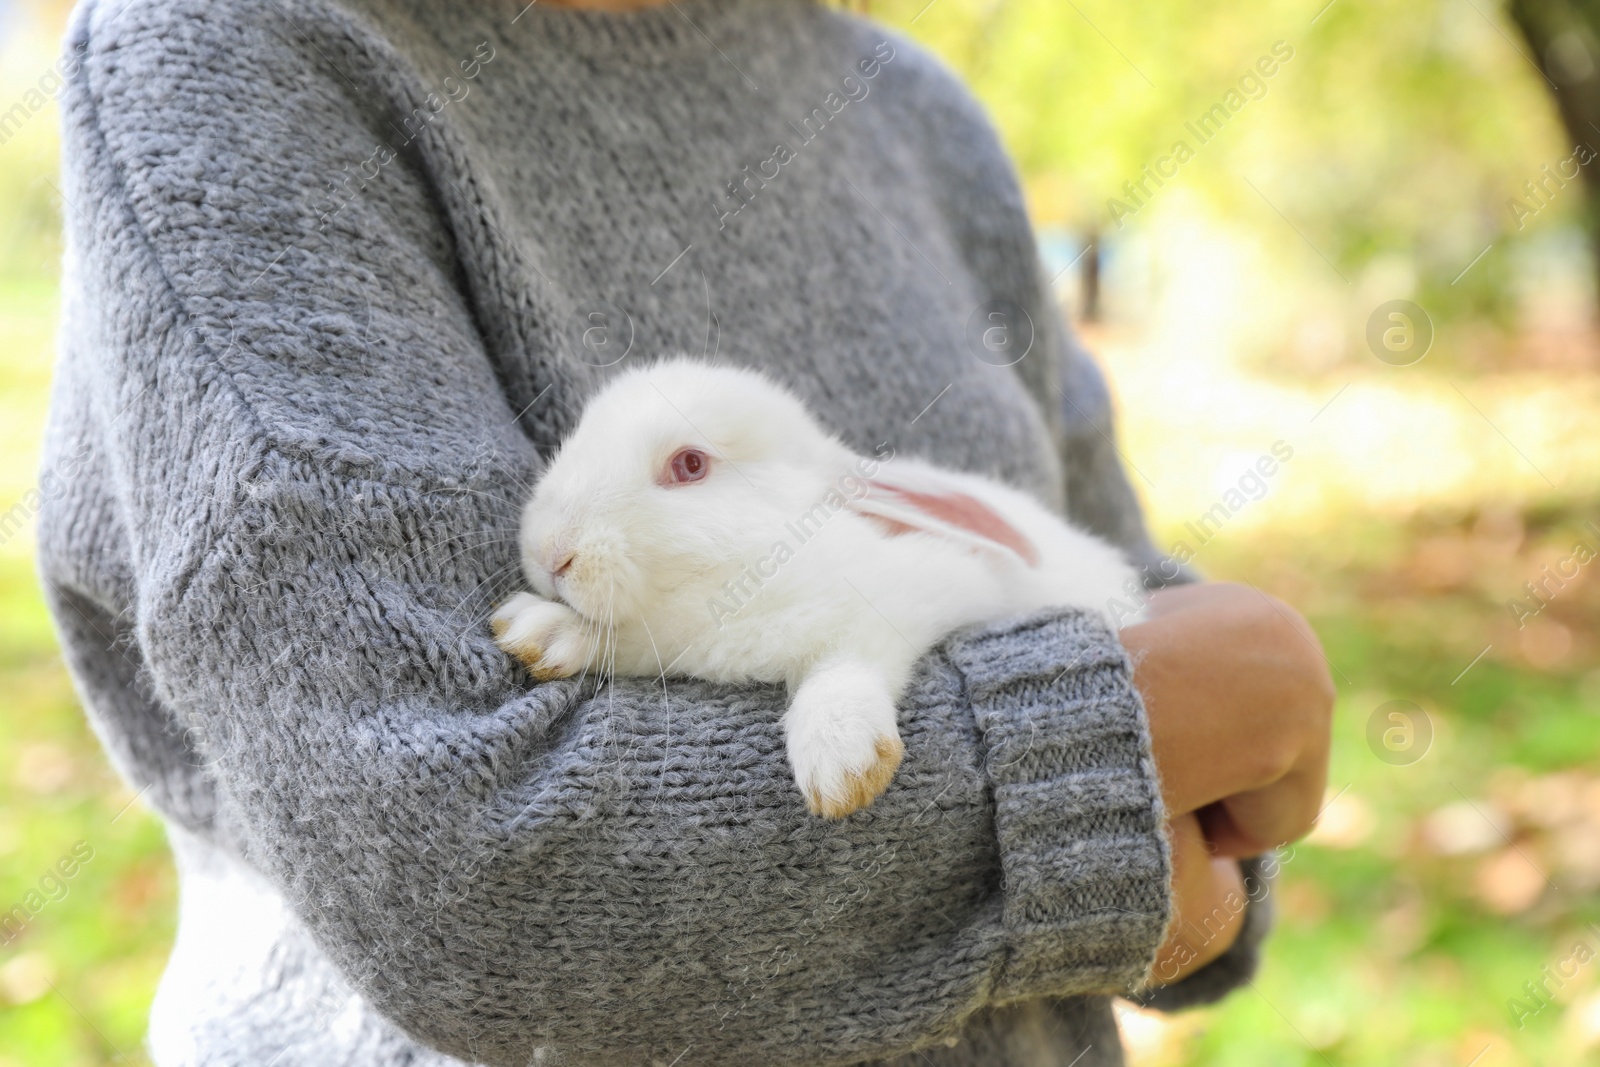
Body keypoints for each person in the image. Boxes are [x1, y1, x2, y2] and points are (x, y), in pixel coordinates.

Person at [38, 0, 1334, 1063]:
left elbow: (1189, 748)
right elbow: (469, 877)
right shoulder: (232, 55)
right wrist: (1100, 778)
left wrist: (1184, 793)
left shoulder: (919, 116)